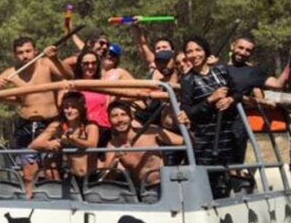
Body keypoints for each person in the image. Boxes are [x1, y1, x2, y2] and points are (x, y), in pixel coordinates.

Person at [0, 37, 72, 189]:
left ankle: (54, 200)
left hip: (50, 123)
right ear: (15, 55)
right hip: (26, 124)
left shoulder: (47, 63)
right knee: (28, 174)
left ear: (35, 51)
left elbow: (69, 76)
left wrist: (55, 58)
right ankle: (28, 199)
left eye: (28, 51)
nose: (25, 55)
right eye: (20, 52)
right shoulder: (12, 72)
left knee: (51, 171)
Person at [179, 36, 240, 182]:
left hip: (228, 136)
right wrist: (210, 99)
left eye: (198, 50)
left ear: (206, 51)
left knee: (230, 180)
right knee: (207, 180)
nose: (194, 55)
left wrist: (230, 100)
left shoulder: (221, 70)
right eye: (189, 51)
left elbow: (238, 92)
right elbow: (188, 111)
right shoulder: (187, 80)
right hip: (205, 140)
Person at [102, 101, 183, 188]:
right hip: (142, 190)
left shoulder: (151, 132)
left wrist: (185, 125)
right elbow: (106, 177)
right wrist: (115, 157)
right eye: (114, 116)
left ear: (131, 116)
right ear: (109, 120)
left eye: (123, 114)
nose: (120, 120)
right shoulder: (113, 145)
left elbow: (186, 142)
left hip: (166, 186)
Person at [29, 91, 99, 181]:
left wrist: (74, 140)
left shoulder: (90, 126)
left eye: (74, 107)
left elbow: (92, 145)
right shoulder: (57, 125)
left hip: (91, 177)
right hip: (72, 177)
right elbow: (33, 145)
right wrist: (48, 144)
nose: (69, 111)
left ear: (82, 107)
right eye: (66, 107)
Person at [73, 48, 110, 141]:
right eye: (86, 63)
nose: (90, 66)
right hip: (83, 131)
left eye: (94, 63)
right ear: (80, 65)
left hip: (105, 130)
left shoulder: (104, 84)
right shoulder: (74, 86)